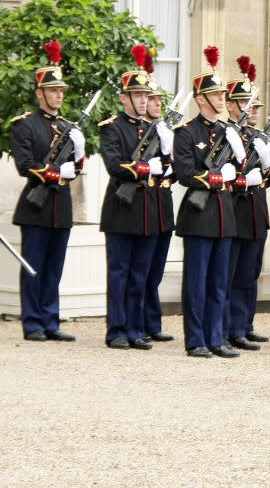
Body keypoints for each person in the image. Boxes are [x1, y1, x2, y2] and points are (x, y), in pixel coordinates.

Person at [11, 40, 85, 342]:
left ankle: (50, 320)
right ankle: (32, 323)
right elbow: (25, 165)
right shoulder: (25, 126)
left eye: (61, 90)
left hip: (61, 205)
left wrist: (78, 155)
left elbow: (75, 166)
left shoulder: (69, 126)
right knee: (33, 267)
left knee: (54, 267)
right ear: (40, 92)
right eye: (54, 90)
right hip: (36, 205)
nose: (59, 95)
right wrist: (55, 172)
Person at [173, 46, 242, 358]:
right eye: (215, 95)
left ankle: (216, 337)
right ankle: (196, 339)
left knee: (219, 282)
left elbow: (242, 169)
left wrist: (240, 158)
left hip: (225, 213)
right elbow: (185, 173)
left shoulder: (229, 131)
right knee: (197, 282)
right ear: (200, 99)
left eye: (221, 95)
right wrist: (216, 176)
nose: (221, 99)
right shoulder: (186, 132)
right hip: (199, 213)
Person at [98, 45, 164, 350]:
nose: (142, 100)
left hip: (148, 211)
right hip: (122, 210)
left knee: (140, 274)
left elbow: (167, 165)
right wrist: (142, 168)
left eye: (145, 96)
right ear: (124, 98)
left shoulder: (154, 129)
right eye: (136, 95)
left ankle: (137, 329)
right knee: (120, 272)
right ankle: (117, 330)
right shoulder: (112, 128)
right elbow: (114, 165)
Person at [224, 56, 270, 351]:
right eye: (247, 103)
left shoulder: (257, 136)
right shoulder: (225, 133)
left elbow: (269, 177)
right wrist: (246, 178)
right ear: (231, 105)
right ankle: (230, 328)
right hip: (234, 210)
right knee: (231, 273)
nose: (254, 109)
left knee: (250, 272)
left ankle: (244, 324)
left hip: (257, 211)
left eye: (256, 105)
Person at [141, 51, 176, 344]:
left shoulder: (165, 131)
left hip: (163, 205)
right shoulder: (140, 131)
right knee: (141, 268)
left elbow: (175, 171)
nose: (155, 104)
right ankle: (137, 321)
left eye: (158, 100)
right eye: (152, 99)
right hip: (142, 204)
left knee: (156, 270)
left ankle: (152, 321)